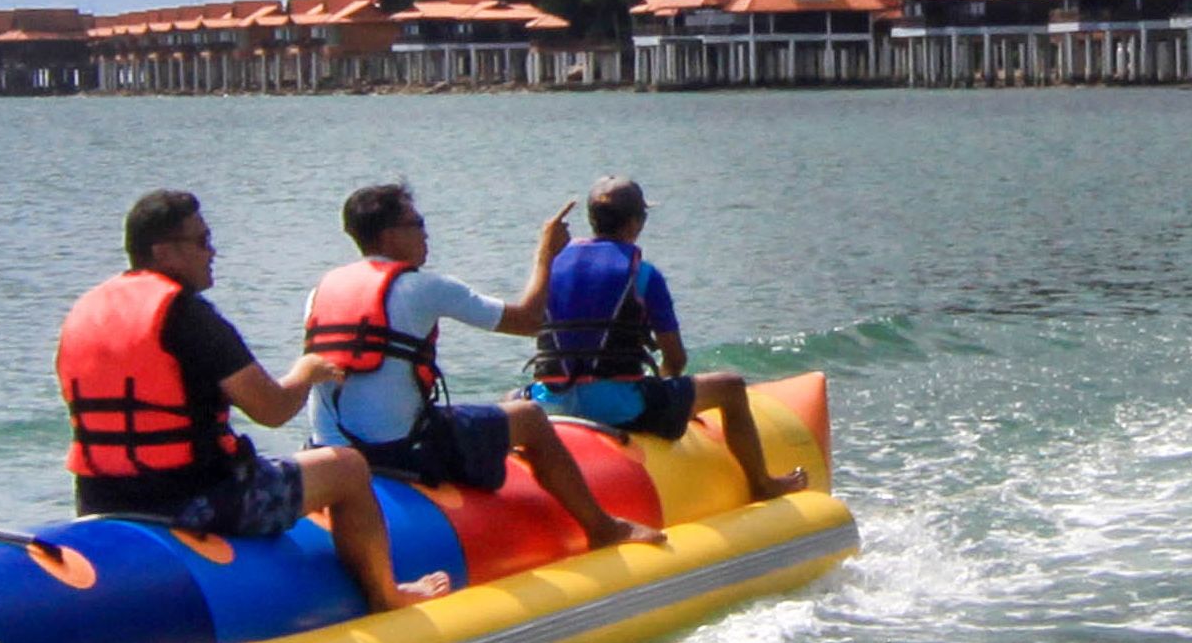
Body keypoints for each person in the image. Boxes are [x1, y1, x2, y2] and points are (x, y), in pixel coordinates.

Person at [56, 187, 414, 614]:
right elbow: (272, 409)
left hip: (99, 501)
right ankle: (386, 596)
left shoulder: (84, 312)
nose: (213, 252)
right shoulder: (186, 315)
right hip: (196, 502)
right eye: (202, 241)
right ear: (164, 252)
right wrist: (307, 371)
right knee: (350, 467)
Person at [302, 181, 662, 553]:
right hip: (395, 450)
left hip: (329, 450)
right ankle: (602, 528)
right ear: (390, 235)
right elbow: (527, 321)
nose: (427, 234)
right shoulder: (424, 288)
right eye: (419, 223)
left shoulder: (321, 290)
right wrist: (545, 254)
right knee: (530, 418)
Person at [525, 178, 806, 501]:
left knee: (513, 397)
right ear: (636, 222)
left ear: (592, 220)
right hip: (616, 408)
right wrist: (670, 396)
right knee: (731, 386)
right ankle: (762, 483)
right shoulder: (643, 274)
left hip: (550, 402)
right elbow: (676, 360)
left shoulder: (550, 266)